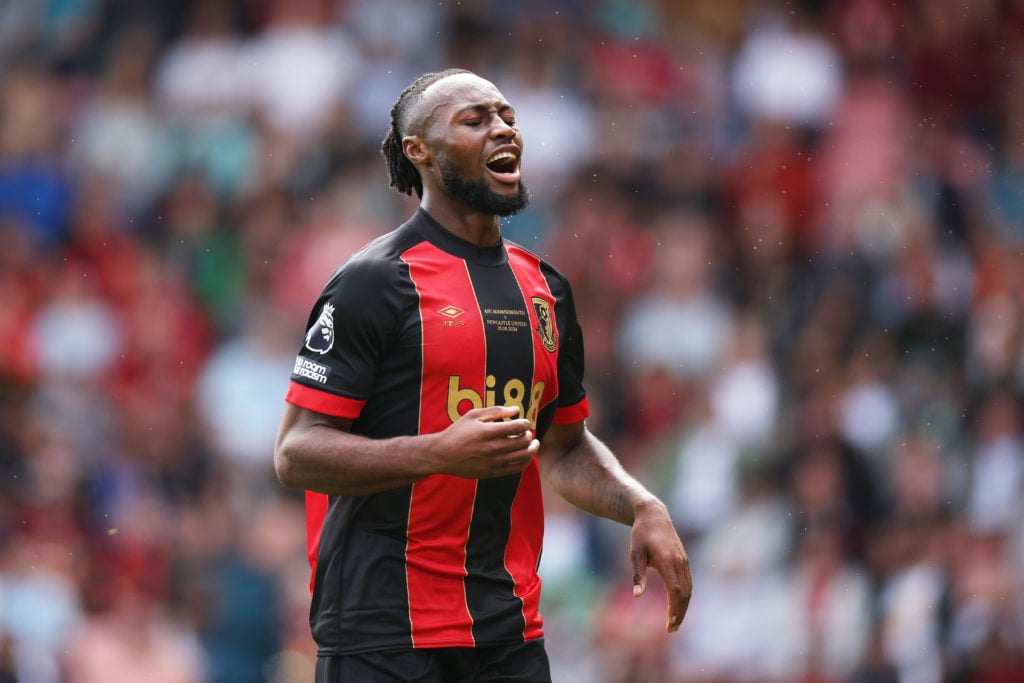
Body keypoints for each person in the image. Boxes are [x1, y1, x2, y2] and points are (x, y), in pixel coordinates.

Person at [274, 68, 692, 683]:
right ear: (419, 151)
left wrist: (642, 504)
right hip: (382, 631)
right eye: (475, 120)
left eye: (507, 117)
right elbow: (295, 453)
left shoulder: (546, 290)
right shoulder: (374, 282)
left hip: (507, 630)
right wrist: (439, 452)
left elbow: (563, 447)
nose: (504, 130)